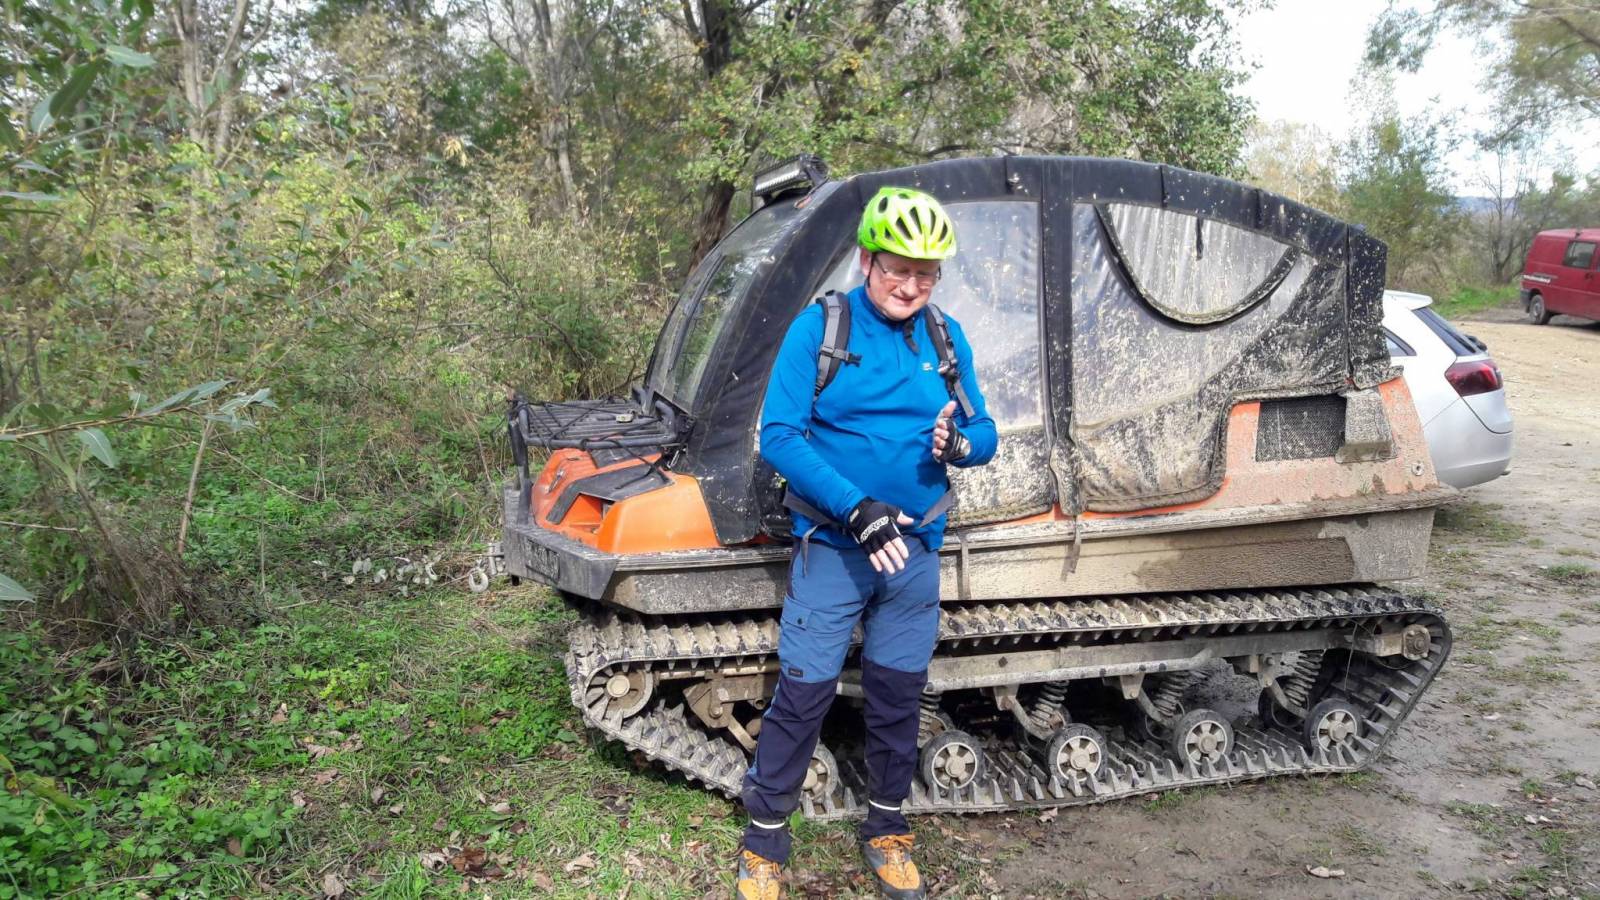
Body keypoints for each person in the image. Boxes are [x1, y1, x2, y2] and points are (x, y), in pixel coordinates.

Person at [736, 186, 998, 900]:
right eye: (897, 270)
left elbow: (984, 430)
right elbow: (779, 435)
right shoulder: (821, 328)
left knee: (897, 695)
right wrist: (856, 509)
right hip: (835, 545)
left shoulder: (944, 336)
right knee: (804, 693)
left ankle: (886, 828)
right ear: (866, 260)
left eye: (925, 274)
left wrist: (962, 444)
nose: (910, 286)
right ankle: (765, 839)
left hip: (914, 550)